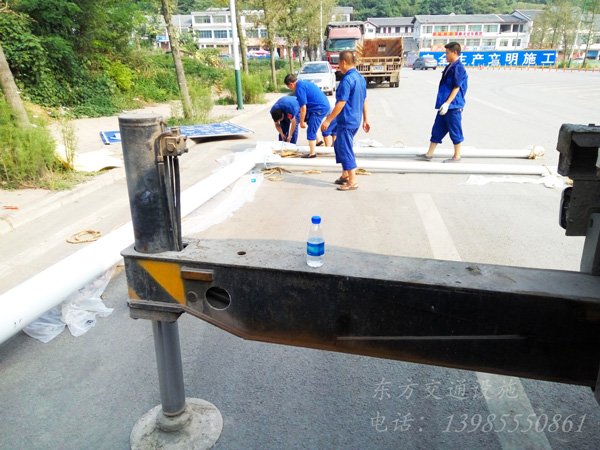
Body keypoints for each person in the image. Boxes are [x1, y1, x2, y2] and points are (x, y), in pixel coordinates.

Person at [321, 50, 370, 191]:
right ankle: (345, 174)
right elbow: (365, 100)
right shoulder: (360, 78)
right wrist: (365, 119)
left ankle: (352, 181)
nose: (338, 67)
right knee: (339, 145)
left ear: (343, 62)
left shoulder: (347, 80)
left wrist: (328, 120)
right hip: (354, 120)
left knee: (345, 149)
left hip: (347, 121)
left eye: (338, 64)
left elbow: (341, 103)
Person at [416, 42, 468, 163]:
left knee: (455, 130)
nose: (446, 55)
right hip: (444, 105)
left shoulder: (458, 68)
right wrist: (444, 104)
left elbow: (456, 87)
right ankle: (429, 154)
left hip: (453, 106)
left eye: (447, 53)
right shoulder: (450, 66)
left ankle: (457, 156)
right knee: (437, 129)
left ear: (455, 52)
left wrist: (448, 103)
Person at [284, 73, 331, 158]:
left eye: (289, 87)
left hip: (319, 108)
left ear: (291, 84)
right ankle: (318, 142)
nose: (290, 89)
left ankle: (312, 153)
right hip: (321, 105)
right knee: (309, 121)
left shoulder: (299, 89)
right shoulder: (304, 83)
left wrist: (301, 122)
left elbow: (303, 108)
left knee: (310, 130)